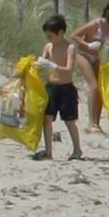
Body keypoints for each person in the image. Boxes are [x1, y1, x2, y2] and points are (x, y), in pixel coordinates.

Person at [70, 0, 109, 133]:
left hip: (96, 58)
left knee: (100, 88)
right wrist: (87, 45)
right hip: (82, 54)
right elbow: (74, 35)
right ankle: (91, 123)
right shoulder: (96, 24)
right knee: (93, 86)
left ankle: (96, 124)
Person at [33, 14, 83, 162]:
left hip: (66, 88)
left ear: (60, 32)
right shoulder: (48, 46)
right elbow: (43, 64)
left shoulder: (70, 47)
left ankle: (77, 150)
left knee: (69, 120)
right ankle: (48, 152)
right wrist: (37, 65)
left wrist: (53, 66)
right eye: (47, 36)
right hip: (51, 88)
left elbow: (69, 69)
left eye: (50, 36)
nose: (48, 39)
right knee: (47, 118)